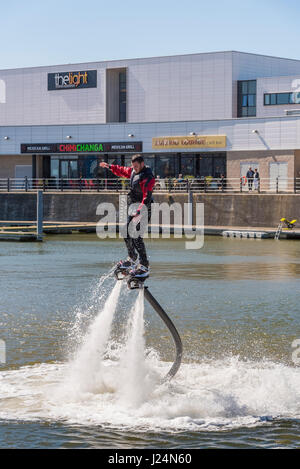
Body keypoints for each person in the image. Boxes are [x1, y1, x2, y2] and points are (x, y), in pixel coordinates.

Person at [100, 154, 155, 279]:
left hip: (145, 208)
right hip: (134, 207)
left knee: (136, 235)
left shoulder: (148, 177)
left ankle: (144, 265)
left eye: (136, 166)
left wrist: (139, 211)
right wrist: (109, 166)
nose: (134, 168)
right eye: (133, 166)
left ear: (142, 164)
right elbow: (122, 170)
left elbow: (146, 197)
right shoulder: (133, 171)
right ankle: (132, 257)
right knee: (125, 231)